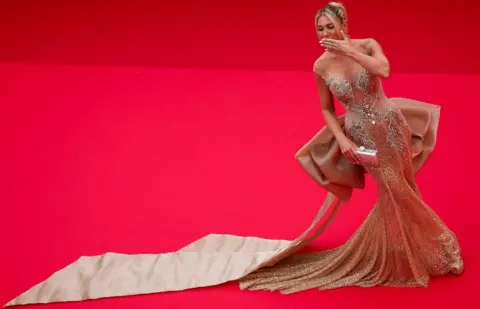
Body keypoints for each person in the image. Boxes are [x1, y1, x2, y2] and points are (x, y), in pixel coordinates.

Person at [5, 2, 463, 306]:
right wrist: (341, 140)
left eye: (330, 25)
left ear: (344, 22)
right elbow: (326, 108)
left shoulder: (364, 47)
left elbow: (384, 69)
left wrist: (350, 50)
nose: (324, 33)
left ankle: (418, 248)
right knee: (394, 191)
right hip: (360, 133)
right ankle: (442, 251)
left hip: (392, 125)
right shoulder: (320, 65)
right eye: (319, 28)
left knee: (405, 187)